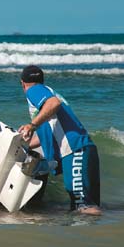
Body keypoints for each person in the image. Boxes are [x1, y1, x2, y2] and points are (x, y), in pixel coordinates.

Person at [17, 65, 102, 215]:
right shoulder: (48, 92)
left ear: (22, 83)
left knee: (84, 208)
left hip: (75, 150)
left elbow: (53, 104)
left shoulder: (34, 91)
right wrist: (23, 144)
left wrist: (31, 125)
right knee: (84, 207)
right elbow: (49, 132)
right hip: (83, 149)